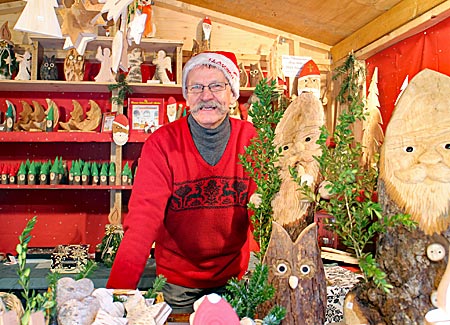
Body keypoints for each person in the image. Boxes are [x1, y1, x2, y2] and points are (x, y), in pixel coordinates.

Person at [107, 51, 257, 313]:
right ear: (186, 96)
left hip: (235, 280)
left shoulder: (253, 140)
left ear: (232, 95)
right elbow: (143, 222)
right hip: (176, 284)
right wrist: (114, 301)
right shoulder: (162, 144)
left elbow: (265, 214)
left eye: (216, 86)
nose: (206, 95)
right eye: (196, 87)